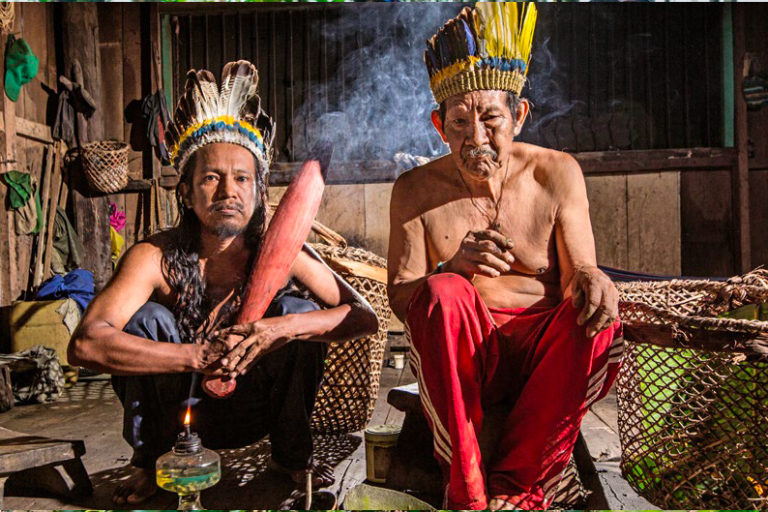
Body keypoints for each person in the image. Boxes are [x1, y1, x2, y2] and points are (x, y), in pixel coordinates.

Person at [68, 60, 378, 505]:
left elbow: (363, 317)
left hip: (256, 411)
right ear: (188, 193)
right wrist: (194, 355)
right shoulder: (152, 258)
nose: (227, 192)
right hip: (182, 415)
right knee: (147, 318)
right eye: (211, 178)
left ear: (256, 193)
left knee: (298, 314)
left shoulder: (286, 251)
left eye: (241, 179)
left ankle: (291, 455)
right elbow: (84, 344)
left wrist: (278, 330)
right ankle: (150, 459)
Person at [387, 4, 623, 510]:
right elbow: (401, 297)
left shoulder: (557, 173)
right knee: (442, 293)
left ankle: (518, 487)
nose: (476, 138)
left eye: (491, 118)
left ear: (518, 116)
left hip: (543, 359)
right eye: (459, 123)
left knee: (599, 316)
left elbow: (580, 271)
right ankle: (468, 490)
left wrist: (594, 278)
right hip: (469, 360)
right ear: (438, 125)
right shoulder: (413, 190)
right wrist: (451, 269)